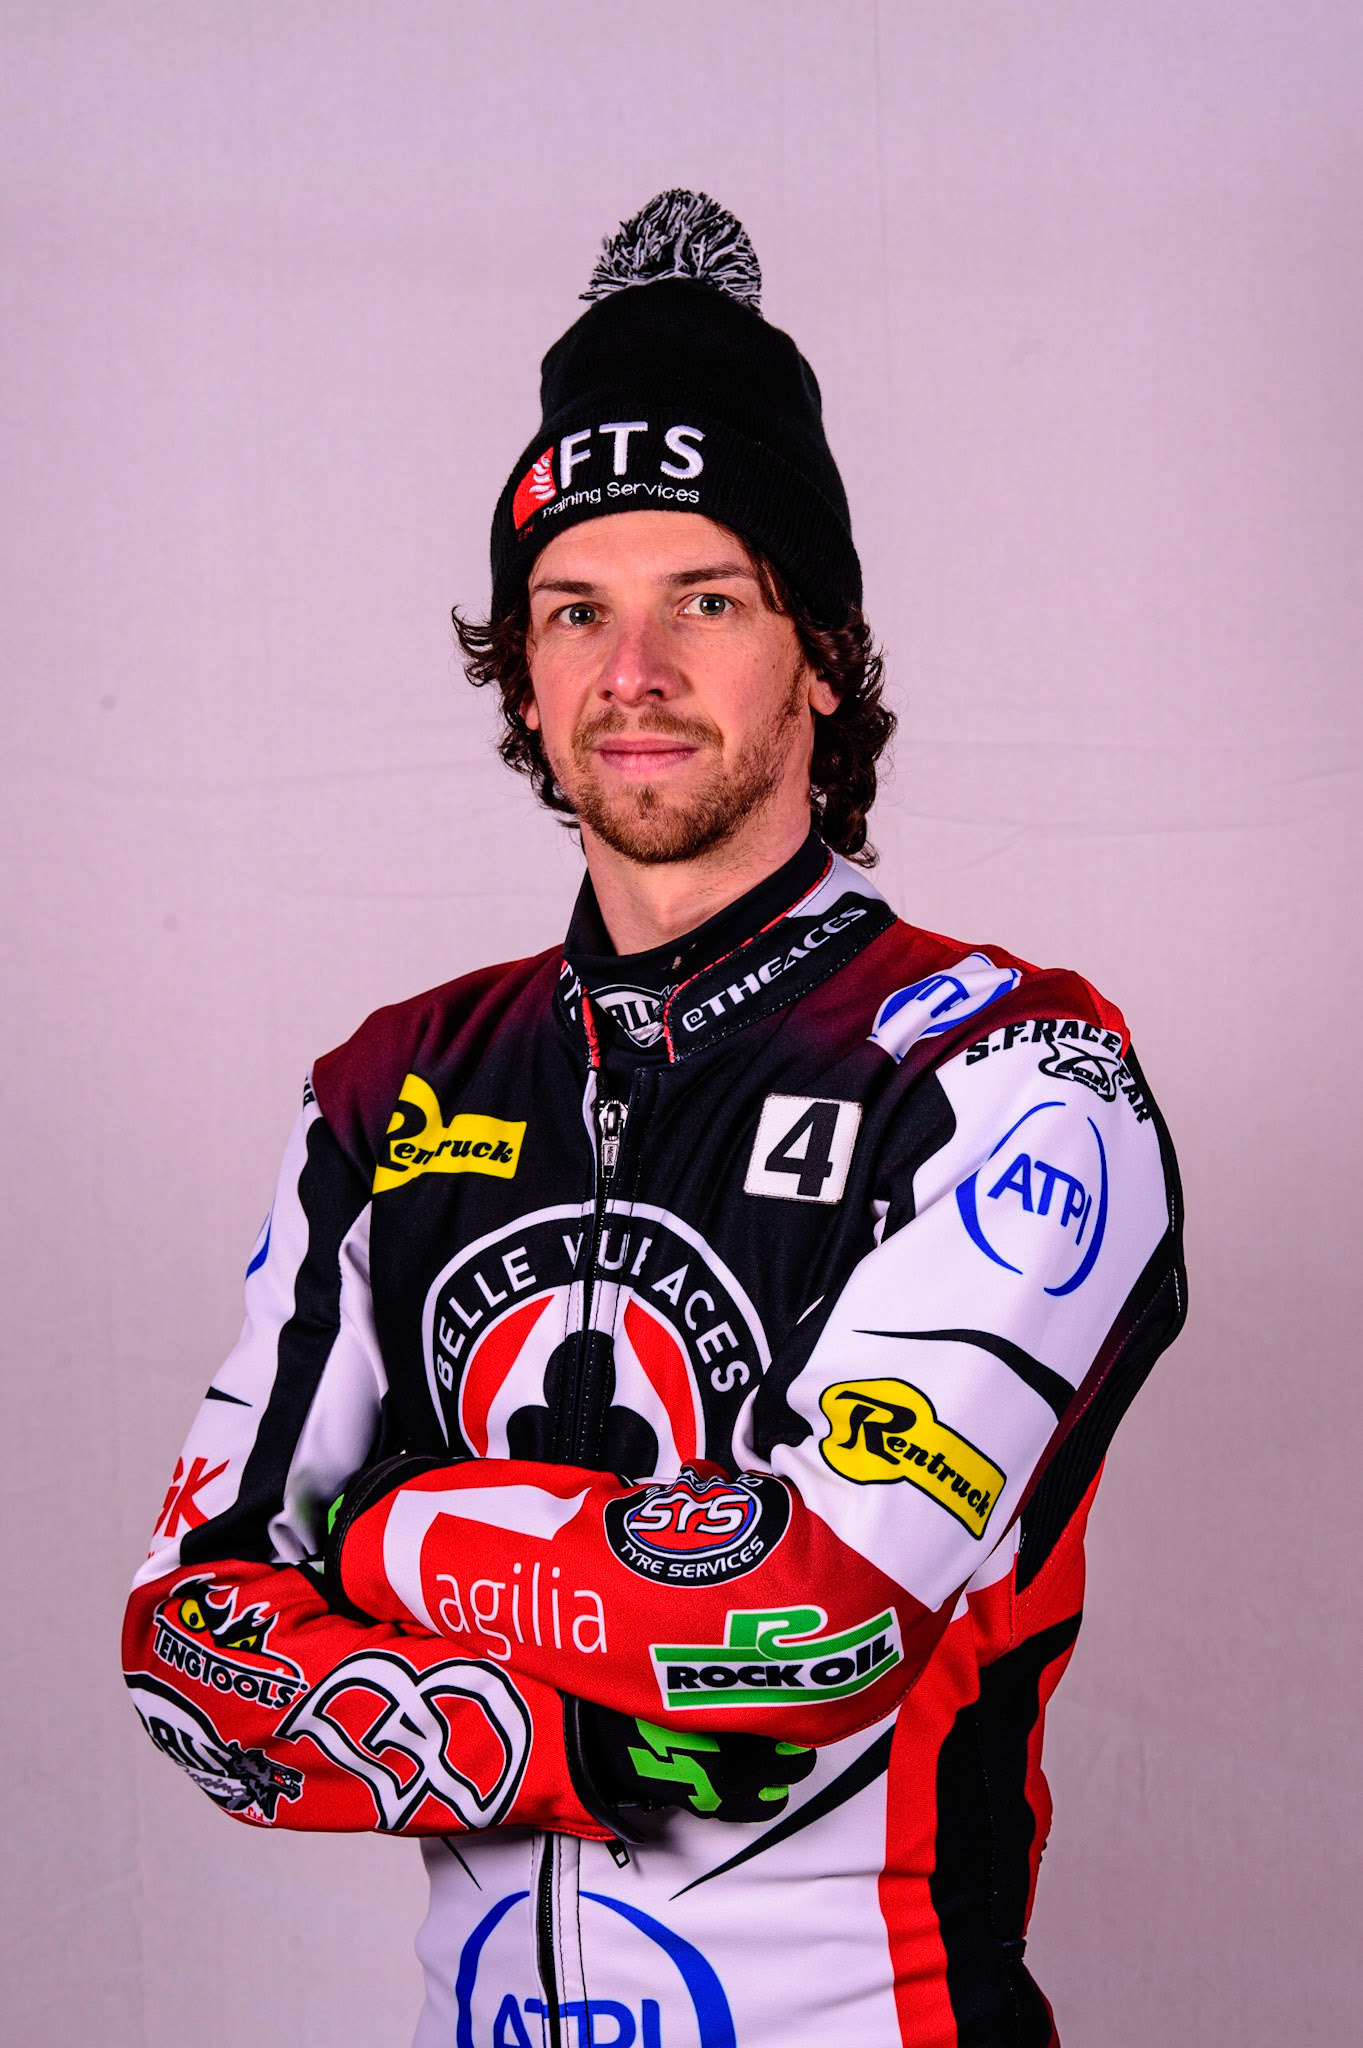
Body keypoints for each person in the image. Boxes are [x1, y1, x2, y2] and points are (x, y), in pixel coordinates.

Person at [124, 190, 1186, 2048]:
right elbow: (187, 1647)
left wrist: (388, 1546)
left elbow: (811, 1624)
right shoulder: (387, 1094)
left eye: (709, 597)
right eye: (575, 612)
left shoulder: (1014, 1075)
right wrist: (577, 1712)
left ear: (821, 650)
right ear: (522, 678)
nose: (636, 674)